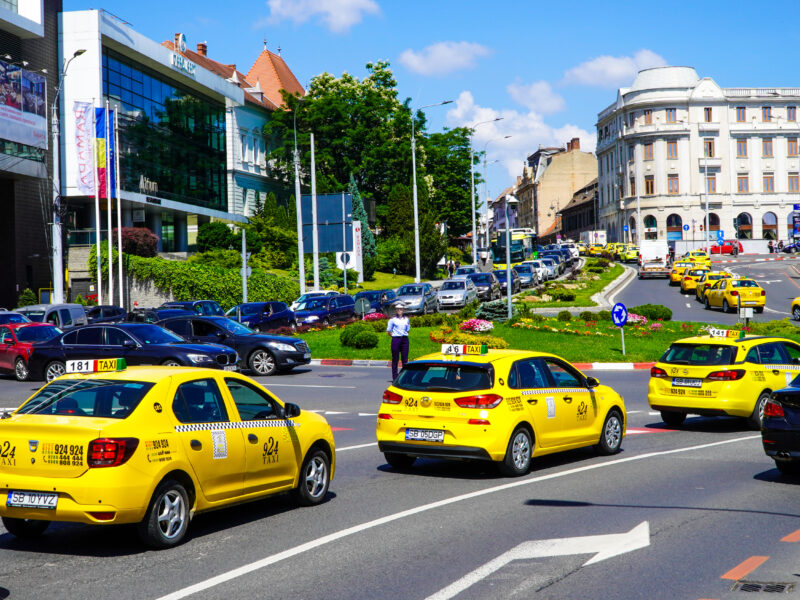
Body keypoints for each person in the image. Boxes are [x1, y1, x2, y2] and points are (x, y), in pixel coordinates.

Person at [386, 303, 410, 380]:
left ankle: (404, 377)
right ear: (396, 310)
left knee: (405, 359)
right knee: (395, 358)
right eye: (398, 309)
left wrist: (404, 335)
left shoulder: (406, 319)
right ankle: (395, 377)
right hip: (396, 339)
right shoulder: (392, 320)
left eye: (401, 309)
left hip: (404, 339)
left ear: (403, 310)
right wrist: (394, 336)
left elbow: (408, 330)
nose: (399, 310)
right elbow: (388, 331)